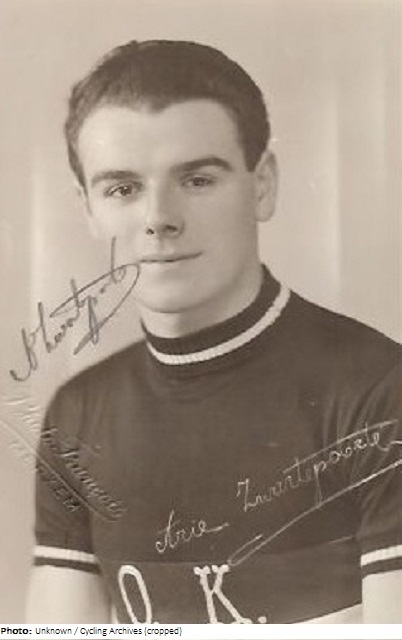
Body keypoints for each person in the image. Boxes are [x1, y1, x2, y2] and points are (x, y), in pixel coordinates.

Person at [27, 39, 402, 624]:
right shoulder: (77, 415)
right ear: (89, 209)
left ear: (263, 185)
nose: (159, 219)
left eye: (198, 180)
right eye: (123, 188)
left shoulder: (379, 390)